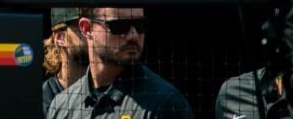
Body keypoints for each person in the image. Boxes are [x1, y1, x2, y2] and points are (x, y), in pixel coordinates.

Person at [47, 7, 195, 119]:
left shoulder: (165, 103)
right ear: (86, 29)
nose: (133, 35)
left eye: (139, 24)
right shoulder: (62, 105)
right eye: (119, 26)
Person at [42, 7, 89, 115]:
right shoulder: (42, 101)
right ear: (60, 38)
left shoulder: (109, 92)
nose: (91, 32)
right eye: (83, 27)